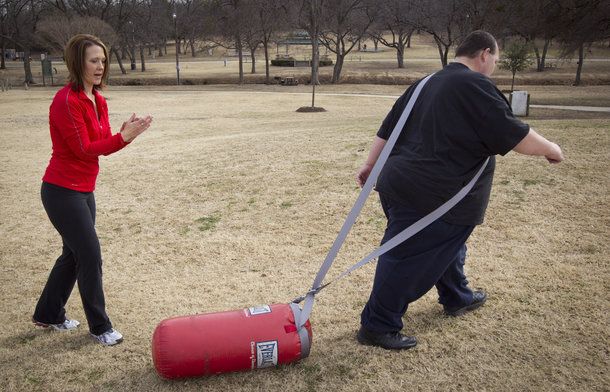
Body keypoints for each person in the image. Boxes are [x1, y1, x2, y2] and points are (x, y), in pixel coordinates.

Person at [355, 30, 564, 350]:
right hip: (433, 193)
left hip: (400, 183)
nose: (494, 64)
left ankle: (457, 296)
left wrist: (370, 165)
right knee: (407, 255)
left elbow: (387, 128)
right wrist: (551, 149)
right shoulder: (475, 85)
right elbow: (514, 133)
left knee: (443, 240)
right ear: (484, 54)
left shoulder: (425, 82)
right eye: (495, 58)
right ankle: (377, 324)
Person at [32, 34, 153, 346]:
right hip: (61, 191)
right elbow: (86, 148)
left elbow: (101, 143)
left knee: (73, 255)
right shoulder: (66, 101)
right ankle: (100, 327)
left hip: (84, 189)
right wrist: (123, 138)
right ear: (78, 63)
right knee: (89, 255)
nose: (100, 66)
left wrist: (124, 135)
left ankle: (48, 313)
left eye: (103, 60)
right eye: (93, 60)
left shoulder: (97, 99)